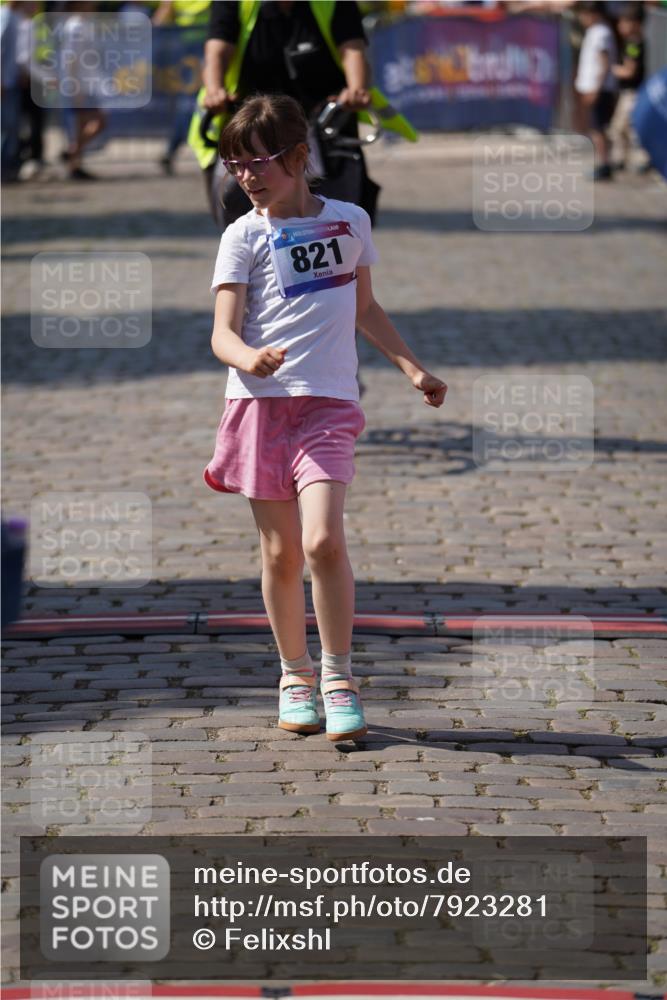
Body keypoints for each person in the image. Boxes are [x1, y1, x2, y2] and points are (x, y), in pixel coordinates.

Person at [203, 94, 446, 742]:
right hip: (257, 407)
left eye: (258, 162)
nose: (246, 176)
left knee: (321, 542)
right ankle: (294, 676)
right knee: (280, 554)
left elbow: (365, 308)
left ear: (298, 156)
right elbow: (221, 333)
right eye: (235, 164)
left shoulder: (349, 221)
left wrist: (412, 369)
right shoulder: (242, 235)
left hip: (328, 405)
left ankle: (338, 678)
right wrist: (249, 357)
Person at [189, 0, 416, 231]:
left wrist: (357, 89)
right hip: (253, 126)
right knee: (240, 218)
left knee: (343, 223)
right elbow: (217, 52)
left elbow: (352, 49)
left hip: (324, 127)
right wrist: (215, 90)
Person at [574, 1, 618, 180]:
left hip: (600, 89)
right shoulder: (594, 31)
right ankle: (604, 162)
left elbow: (604, 64)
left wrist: (596, 89)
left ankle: (604, 164)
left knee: (598, 129)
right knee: (596, 128)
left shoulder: (601, 33)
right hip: (595, 88)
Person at [609, 3, 647, 171]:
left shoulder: (633, 45)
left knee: (624, 128)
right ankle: (621, 158)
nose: (620, 26)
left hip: (632, 93)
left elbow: (629, 71)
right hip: (629, 93)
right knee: (620, 128)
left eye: (624, 22)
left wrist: (612, 69)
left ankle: (638, 160)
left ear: (635, 23)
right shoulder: (632, 43)